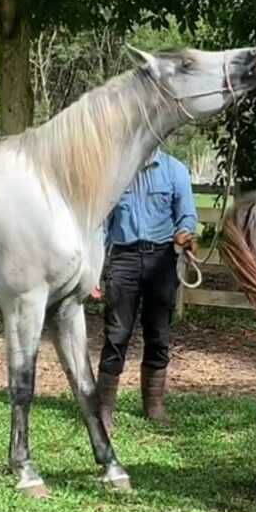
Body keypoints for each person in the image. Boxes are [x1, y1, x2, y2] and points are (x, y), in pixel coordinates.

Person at [92, 148, 198, 433]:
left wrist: (185, 232)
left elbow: (187, 215)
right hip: (123, 258)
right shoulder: (115, 172)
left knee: (159, 335)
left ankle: (154, 406)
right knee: (116, 334)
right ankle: (104, 409)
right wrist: (94, 269)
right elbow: (102, 227)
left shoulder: (175, 170)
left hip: (162, 259)